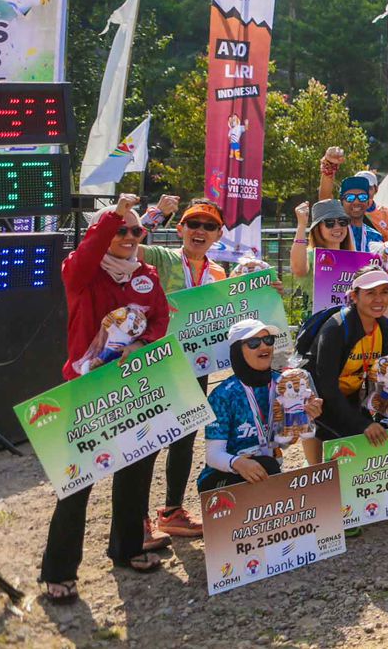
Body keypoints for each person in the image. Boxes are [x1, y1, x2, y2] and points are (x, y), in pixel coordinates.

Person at [40, 195, 173, 602]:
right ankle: (59, 570)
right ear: (104, 233)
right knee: (78, 479)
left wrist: (144, 343)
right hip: (85, 389)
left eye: (137, 230)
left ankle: (127, 548)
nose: (131, 237)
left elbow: (160, 318)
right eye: (121, 230)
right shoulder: (80, 273)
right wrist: (113, 213)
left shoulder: (145, 275)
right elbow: (86, 253)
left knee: (136, 468)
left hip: (133, 386)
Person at [135, 198, 228, 539]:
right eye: (193, 224)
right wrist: (154, 214)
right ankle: (137, 519)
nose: (199, 231)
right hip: (159, 362)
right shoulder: (163, 258)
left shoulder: (218, 272)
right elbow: (129, 244)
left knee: (184, 438)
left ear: (218, 234)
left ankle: (172, 510)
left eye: (208, 226)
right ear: (180, 229)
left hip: (196, 364)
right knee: (148, 441)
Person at [197, 320, 323, 491]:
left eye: (268, 340)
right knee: (268, 467)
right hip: (223, 475)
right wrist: (238, 463)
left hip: (266, 469)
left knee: (270, 466)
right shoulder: (222, 395)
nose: (264, 347)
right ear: (237, 351)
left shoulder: (284, 384)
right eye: (254, 343)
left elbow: (282, 443)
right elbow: (213, 456)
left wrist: (303, 418)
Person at [307, 268, 388, 469]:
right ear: (354, 296)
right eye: (370, 293)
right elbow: (327, 388)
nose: (379, 299)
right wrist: (362, 425)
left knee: (384, 436)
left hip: (350, 395)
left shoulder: (386, 328)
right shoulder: (336, 329)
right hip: (320, 400)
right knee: (351, 444)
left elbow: (380, 377)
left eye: (384, 291)